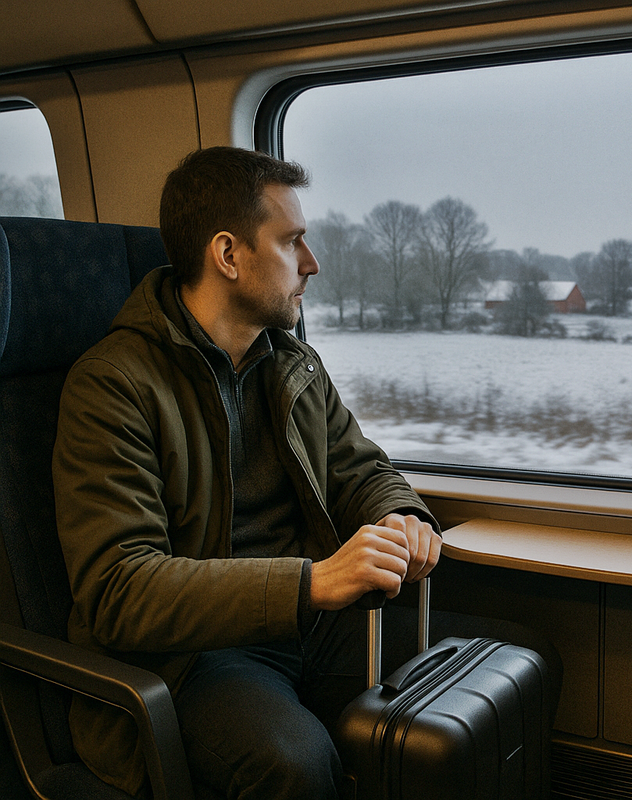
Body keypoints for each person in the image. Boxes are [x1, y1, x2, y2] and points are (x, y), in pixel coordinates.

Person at [52, 146, 558, 799]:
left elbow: (357, 466)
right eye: (292, 242)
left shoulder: (289, 363)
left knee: (512, 664)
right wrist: (312, 582)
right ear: (228, 255)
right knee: (295, 764)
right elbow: (119, 591)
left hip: (309, 623)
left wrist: (400, 513)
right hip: (192, 658)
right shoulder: (113, 386)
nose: (312, 265)